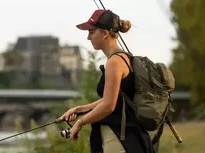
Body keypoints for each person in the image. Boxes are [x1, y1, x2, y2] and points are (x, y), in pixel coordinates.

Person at [58, 9, 154, 153]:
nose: (88, 38)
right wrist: (80, 109)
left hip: (118, 139)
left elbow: (109, 105)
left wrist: (80, 122)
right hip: (129, 137)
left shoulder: (114, 62)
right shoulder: (124, 57)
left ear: (105, 33)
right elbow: (115, 100)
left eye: (91, 32)